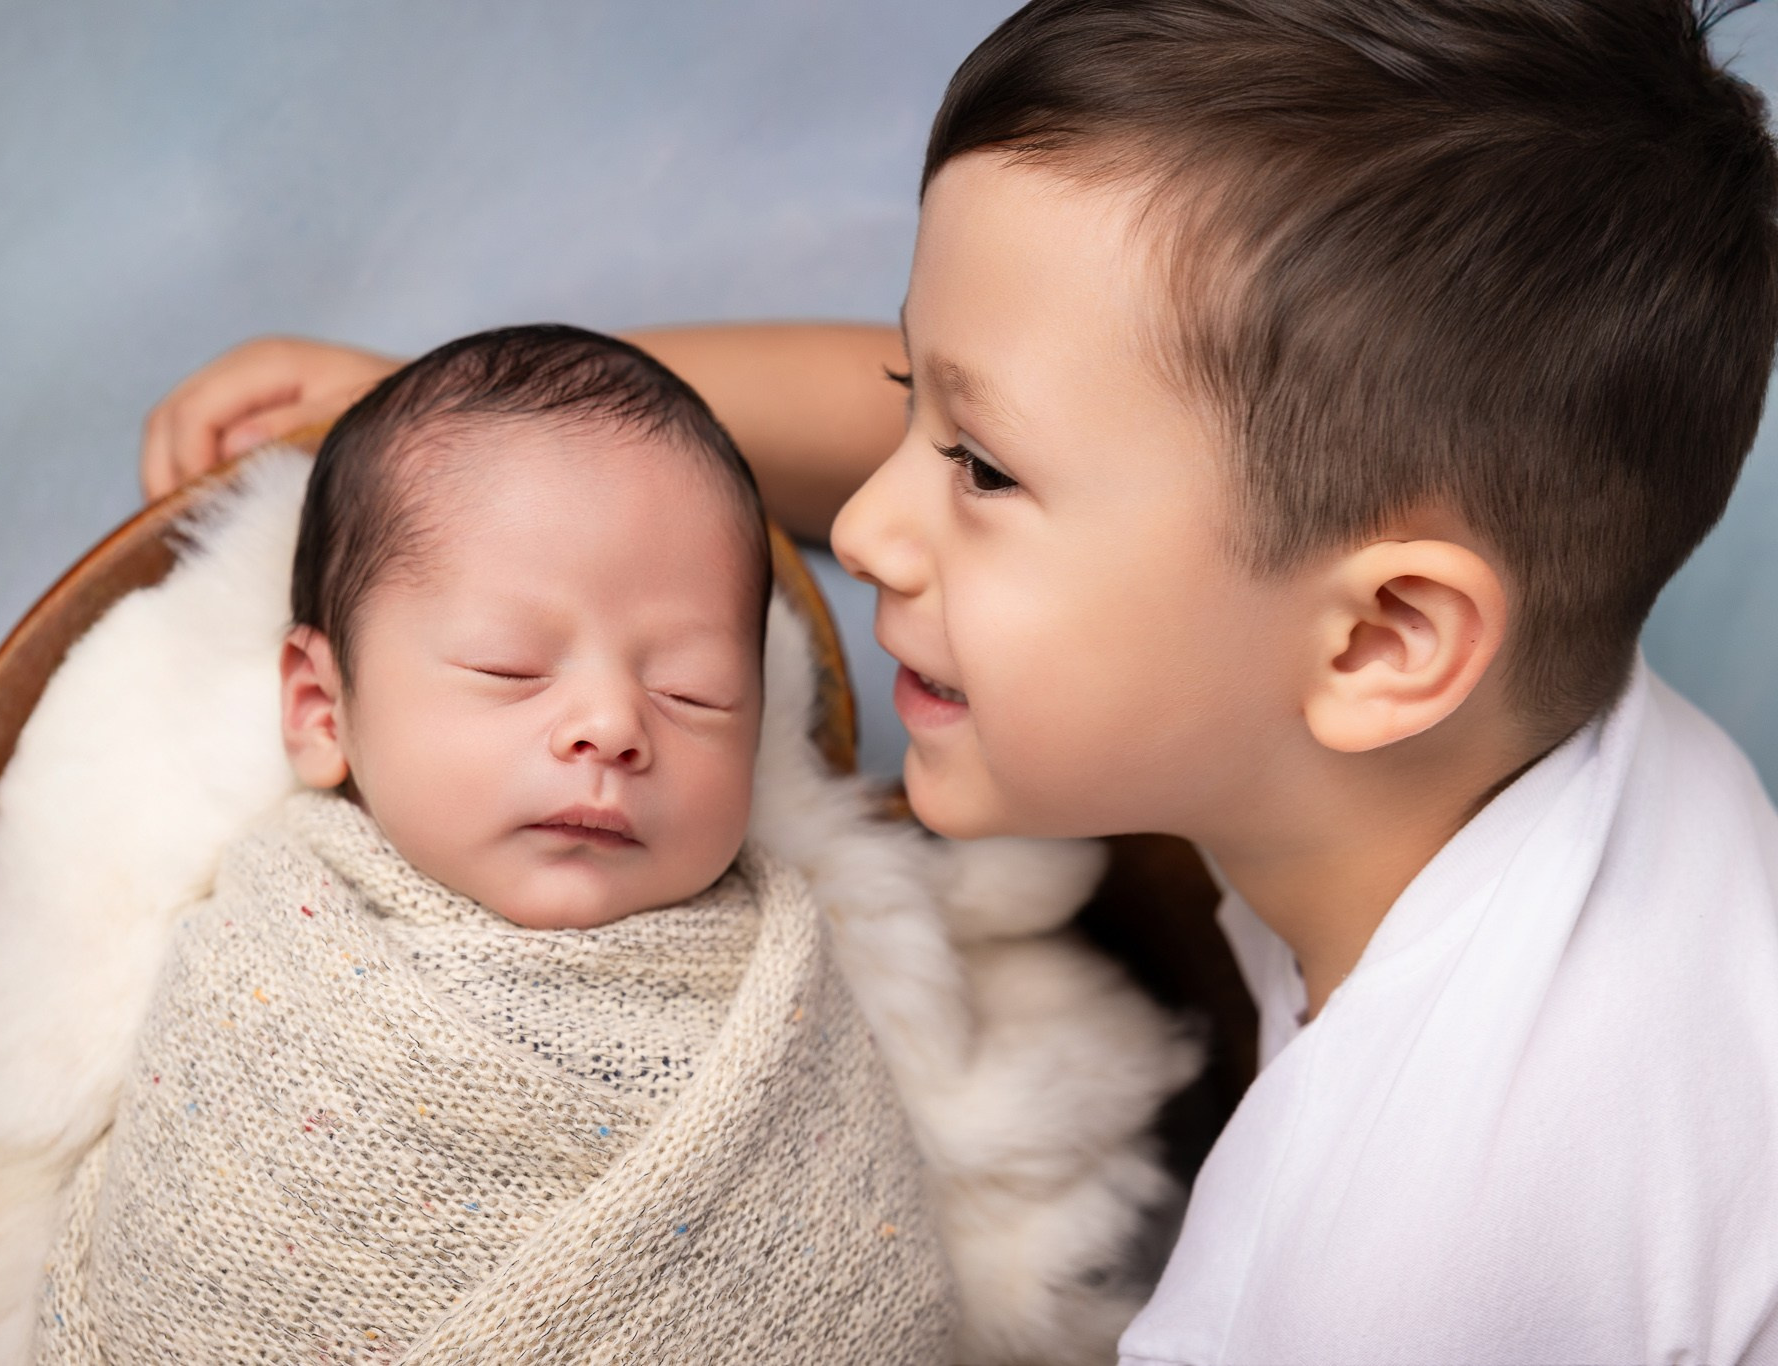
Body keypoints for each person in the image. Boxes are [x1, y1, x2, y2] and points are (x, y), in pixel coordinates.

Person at [140, 2, 1778, 1359]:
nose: (862, 526)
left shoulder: (1378, 1276)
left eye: (976, 467)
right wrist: (477, 429)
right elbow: (1007, 450)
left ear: (1373, 643)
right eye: (907, 398)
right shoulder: (1527, 738)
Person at [35, 324, 959, 1363]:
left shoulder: (786, 1001)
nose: (612, 724)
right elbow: (186, 1274)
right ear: (319, 708)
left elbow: (861, 1293)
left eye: (691, 689)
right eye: (509, 666)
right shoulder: (262, 965)